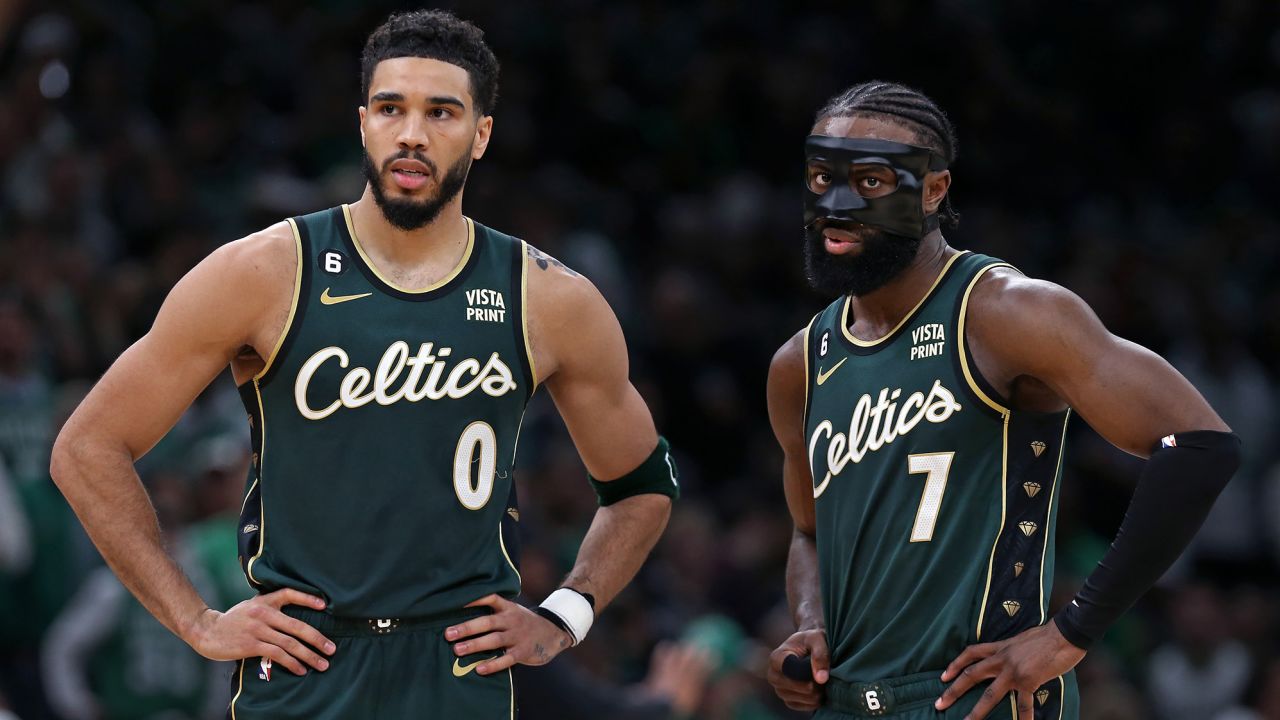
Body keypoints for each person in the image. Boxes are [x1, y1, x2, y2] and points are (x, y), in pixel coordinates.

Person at [49, 10, 678, 719]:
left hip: (459, 670)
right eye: (391, 108)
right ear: (362, 123)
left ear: (481, 134)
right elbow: (86, 448)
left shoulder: (548, 298)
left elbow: (643, 486)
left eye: (441, 112)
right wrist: (197, 620)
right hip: (304, 664)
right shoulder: (265, 272)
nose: (411, 133)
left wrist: (567, 615)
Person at [764, 81, 1240, 720]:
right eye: (823, 177)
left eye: (872, 182)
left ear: (934, 190)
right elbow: (807, 531)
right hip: (846, 703)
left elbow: (1201, 446)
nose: (838, 203)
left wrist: (1071, 632)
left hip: (977, 697)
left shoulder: (1006, 312)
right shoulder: (801, 362)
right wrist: (808, 623)